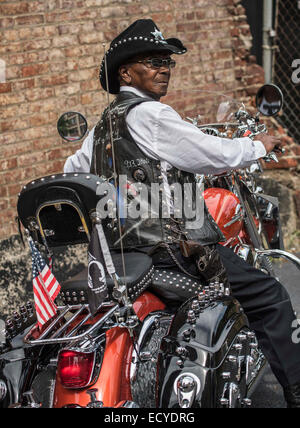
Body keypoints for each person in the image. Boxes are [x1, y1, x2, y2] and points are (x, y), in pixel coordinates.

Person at [64, 19, 300, 408]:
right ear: (126, 72)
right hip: (173, 254)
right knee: (271, 295)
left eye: (168, 63)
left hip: (124, 255)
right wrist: (256, 145)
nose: (164, 69)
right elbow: (211, 155)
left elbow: (75, 173)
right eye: (154, 61)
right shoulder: (151, 115)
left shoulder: (102, 128)